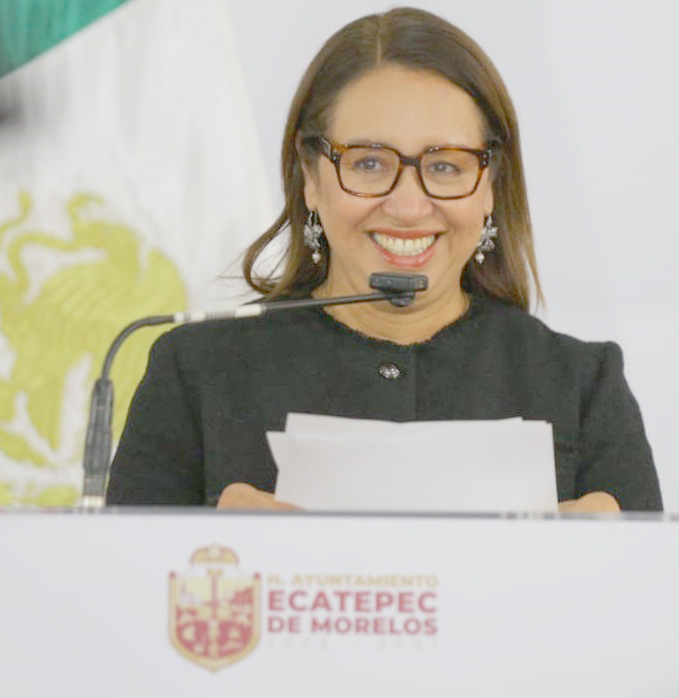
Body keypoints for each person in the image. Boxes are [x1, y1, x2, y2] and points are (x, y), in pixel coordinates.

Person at [106, 7, 662, 513]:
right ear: (310, 177)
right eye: (369, 163)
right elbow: (124, 587)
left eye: (445, 166)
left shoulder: (584, 387)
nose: (408, 206)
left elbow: (643, 593)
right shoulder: (194, 373)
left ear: (491, 184)